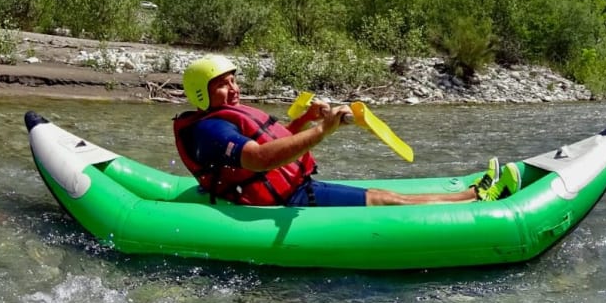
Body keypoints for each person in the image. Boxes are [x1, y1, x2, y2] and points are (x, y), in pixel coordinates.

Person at [173, 55, 521, 207]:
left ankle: (472, 194)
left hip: (296, 186)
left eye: (234, 81)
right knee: (386, 199)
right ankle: (477, 197)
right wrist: (324, 130)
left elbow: (273, 139)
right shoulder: (212, 130)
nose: (233, 90)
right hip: (285, 199)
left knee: (381, 193)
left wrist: (305, 121)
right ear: (203, 92)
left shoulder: (224, 117)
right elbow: (261, 159)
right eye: (222, 85)